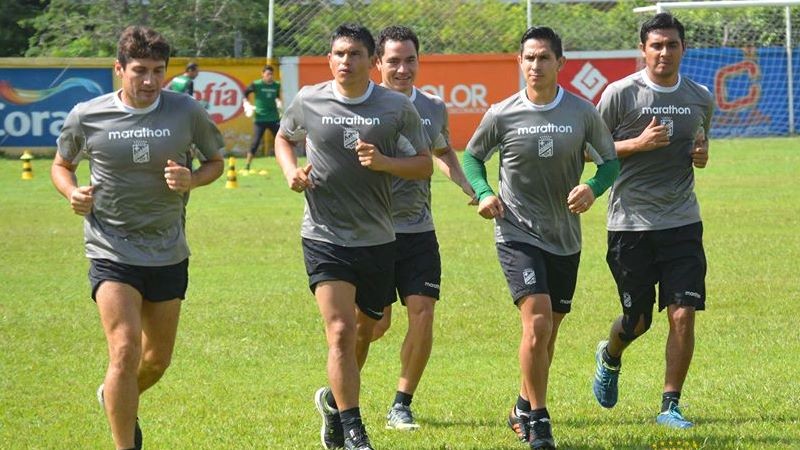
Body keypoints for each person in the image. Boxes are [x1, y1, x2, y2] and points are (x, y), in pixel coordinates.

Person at [50, 26, 224, 450]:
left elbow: (216, 161)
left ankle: (116, 395)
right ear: (119, 69)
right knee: (124, 352)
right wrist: (73, 191)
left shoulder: (187, 111)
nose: (149, 81)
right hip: (111, 249)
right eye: (140, 71)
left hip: (167, 250)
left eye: (158, 71)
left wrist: (192, 179)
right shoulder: (87, 115)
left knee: (155, 361)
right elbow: (61, 164)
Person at [274, 23, 432, 450]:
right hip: (323, 234)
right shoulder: (309, 99)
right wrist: (291, 172)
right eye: (339, 53)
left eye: (355, 54)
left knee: (375, 323)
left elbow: (423, 165)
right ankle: (353, 427)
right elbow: (283, 139)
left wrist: (384, 162)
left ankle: (333, 403)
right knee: (341, 330)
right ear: (330, 59)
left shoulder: (395, 108)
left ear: (371, 61)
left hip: (379, 238)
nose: (346, 61)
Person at [462, 27, 619, 449]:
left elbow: (610, 164)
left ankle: (520, 405)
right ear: (520, 62)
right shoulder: (502, 113)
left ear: (560, 63)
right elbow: (472, 156)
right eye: (529, 58)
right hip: (516, 231)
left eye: (544, 58)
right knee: (536, 322)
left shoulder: (583, 113)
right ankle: (540, 419)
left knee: (548, 332)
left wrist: (592, 188)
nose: (536, 65)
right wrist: (483, 193)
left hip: (565, 236)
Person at [591, 12, 713, 430]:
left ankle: (670, 406)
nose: (664, 52)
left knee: (683, 312)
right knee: (637, 321)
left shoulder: (700, 96)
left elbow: (700, 140)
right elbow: (590, 149)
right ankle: (610, 355)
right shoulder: (620, 94)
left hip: (682, 222)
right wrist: (637, 144)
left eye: (672, 45)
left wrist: (701, 154)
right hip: (630, 225)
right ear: (643, 49)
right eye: (656, 45)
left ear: (683, 49)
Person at [368, 25, 476, 431]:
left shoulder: (433, 107)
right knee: (376, 324)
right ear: (378, 63)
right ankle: (341, 381)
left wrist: (470, 186)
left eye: (409, 60)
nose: (402, 68)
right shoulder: (362, 106)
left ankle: (402, 403)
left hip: (418, 230)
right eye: (393, 61)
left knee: (423, 313)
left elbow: (443, 150)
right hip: (371, 233)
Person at [243, 65, 283, 171]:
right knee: (255, 142)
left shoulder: (276, 85)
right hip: (260, 118)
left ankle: (286, 165)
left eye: (271, 74)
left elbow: (278, 96)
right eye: (267, 74)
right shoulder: (256, 84)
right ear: (263, 74)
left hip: (274, 118)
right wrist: (246, 103)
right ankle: (247, 165)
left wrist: (279, 102)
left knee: (282, 141)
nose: (270, 76)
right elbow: (245, 92)